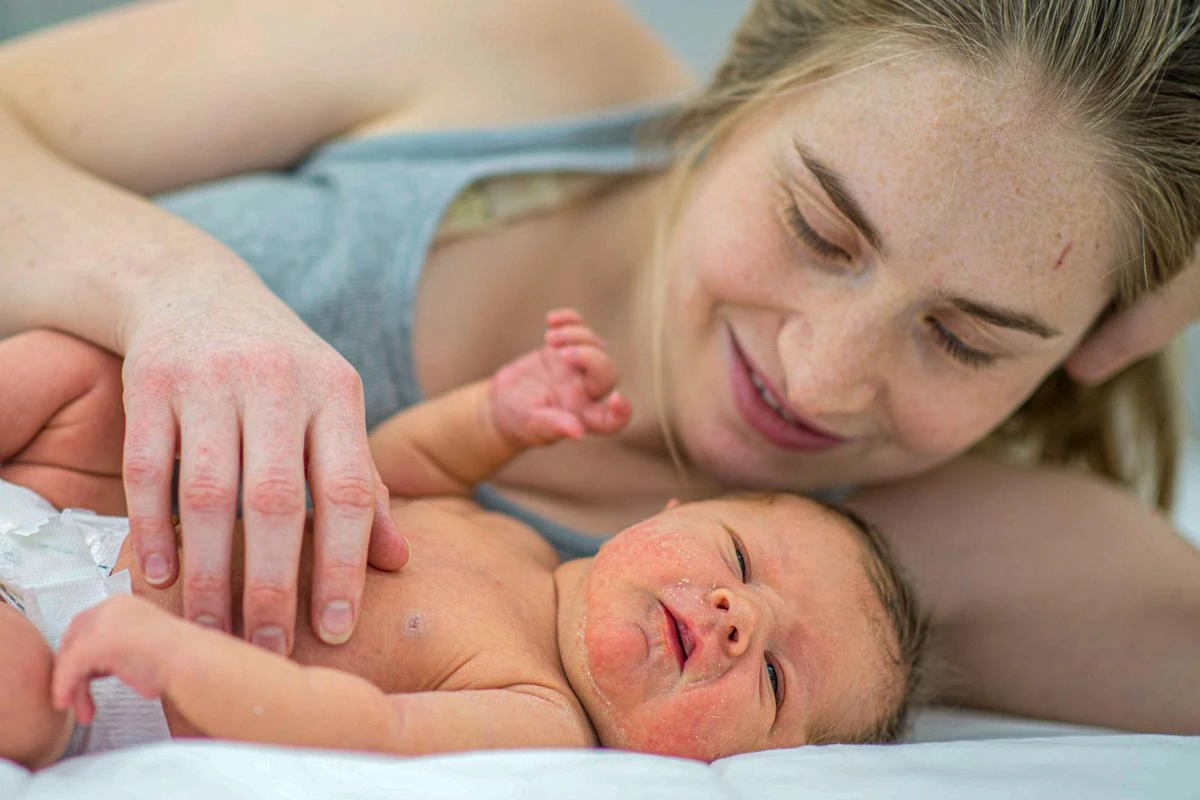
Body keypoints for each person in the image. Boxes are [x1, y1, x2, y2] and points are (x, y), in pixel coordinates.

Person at [0, 0, 1196, 733]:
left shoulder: (963, 546)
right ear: (737, 99)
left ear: (1092, 342)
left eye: (967, 338)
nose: (821, 378)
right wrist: (173, 288)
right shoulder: (520, 55)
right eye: (820, 230)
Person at [0, 320, 924, 770]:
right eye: (740, 558)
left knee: (23, 710)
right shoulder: (510, 534)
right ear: (667, 511)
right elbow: (391, 472)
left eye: (772, 680)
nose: (739, 617)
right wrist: (497, 417)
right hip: (103, 527)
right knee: (78, 375)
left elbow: (367, 730)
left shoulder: (541, 714)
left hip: (85, 668)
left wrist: (183, 658)